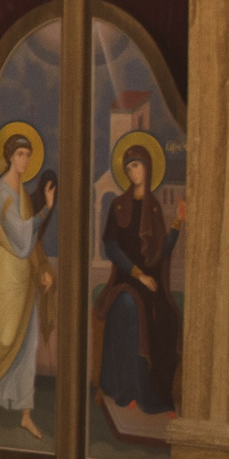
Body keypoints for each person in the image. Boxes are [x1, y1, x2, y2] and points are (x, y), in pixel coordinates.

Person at [93, 145, 183, 419]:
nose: (132, 171)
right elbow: (111, 248)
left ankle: (158, 397)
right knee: (130, 307)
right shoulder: (118, 204)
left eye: (137, 165)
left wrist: (178, 223)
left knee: (168, 318)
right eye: (128, 166)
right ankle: (128, 391)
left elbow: (159, 252)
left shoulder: (154, 207)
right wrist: (138, 275)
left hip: (151, 285)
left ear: (148, 167)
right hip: (124, 281)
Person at [0, 136, 55, 440]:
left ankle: (25, 413)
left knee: (28, 345)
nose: (25, 160)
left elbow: (31, 246)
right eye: (21, 154)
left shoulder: (22, 192)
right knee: (7, 338)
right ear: (10, 157)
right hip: (8, 272)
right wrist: (46, 210)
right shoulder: (2, 192)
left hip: (25, 273)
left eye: (28, 154)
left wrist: (42, 270)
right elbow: (21, 238)